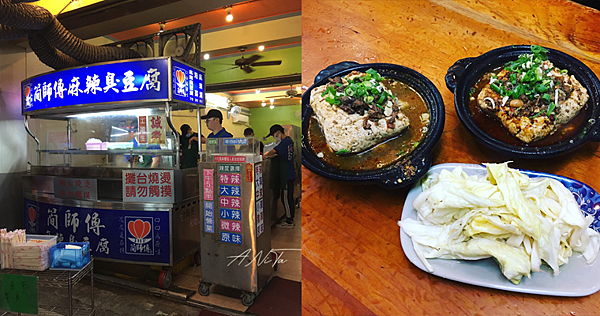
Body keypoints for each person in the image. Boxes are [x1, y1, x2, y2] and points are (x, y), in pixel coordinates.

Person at [263, 124, 296, 228]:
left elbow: (274, 151)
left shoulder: (284, 142)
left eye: (274, 134)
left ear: (278, 132)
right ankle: (290, 217)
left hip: (286, 174)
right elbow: (279, 153)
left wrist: (265, 155)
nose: (274, 137)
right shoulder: (289, 141)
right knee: (288, 197)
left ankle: (289, 220)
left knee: (286, 198)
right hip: (290, 173)